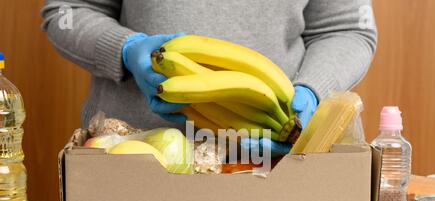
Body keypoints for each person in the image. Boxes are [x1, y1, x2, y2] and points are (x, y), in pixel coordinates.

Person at [42, 0, 377, 155]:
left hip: (279, 159)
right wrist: (127, 49)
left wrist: (312, 90)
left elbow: (348, 28)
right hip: (134, 155)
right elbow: (67, 11)